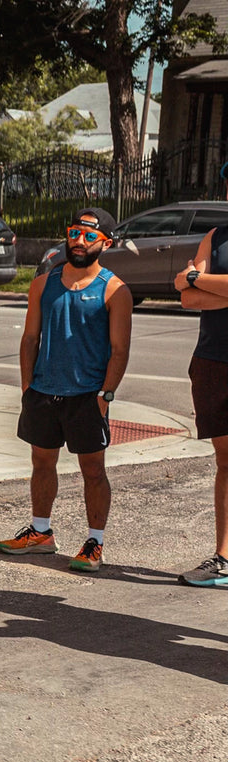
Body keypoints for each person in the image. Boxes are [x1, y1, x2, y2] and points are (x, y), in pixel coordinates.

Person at [0, 208, 131, 572]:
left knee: (93, 470)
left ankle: (94, 542)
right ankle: (40, 533)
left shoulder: (115, 290)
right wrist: (27, 386)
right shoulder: (43, 284)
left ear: (106, 243)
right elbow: (30, 338)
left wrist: (106, 395)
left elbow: (119, 350)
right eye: (74, 233)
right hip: (43, 392)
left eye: (89, 236)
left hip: (88, 397)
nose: (79, 241)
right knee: (41, 463)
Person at [176, 179, 228, 586]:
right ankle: (224, 558)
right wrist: (196, 282)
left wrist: (197, 279)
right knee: (225, 462)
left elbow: (192, 281)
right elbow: (186, 295)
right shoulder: (215, 236)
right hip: (212, 360)